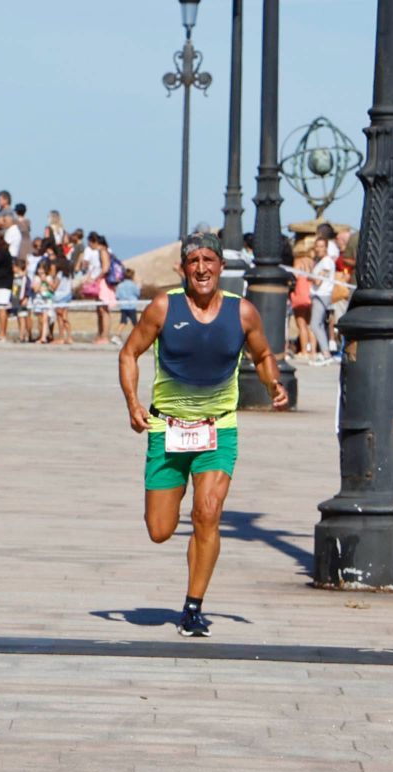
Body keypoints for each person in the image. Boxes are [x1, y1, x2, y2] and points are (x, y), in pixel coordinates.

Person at [117, 231, 288, 638]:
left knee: (207, 513)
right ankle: (173, 519)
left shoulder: (242, 313)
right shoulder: (164, 307)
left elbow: (263, 355)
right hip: (167, 428)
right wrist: (132, 403)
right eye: (194, 262)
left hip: (218, 429)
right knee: (160, 530)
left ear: (220, 267)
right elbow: (129, 352)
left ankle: (193, 608)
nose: (202, 268)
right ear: (183, 269)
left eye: (209, 260)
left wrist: (272, 384)